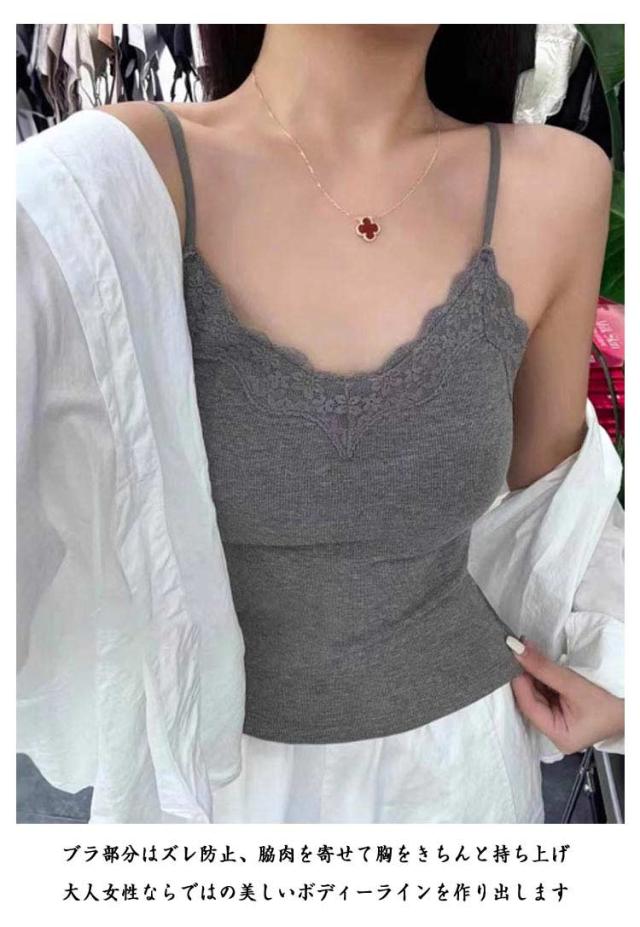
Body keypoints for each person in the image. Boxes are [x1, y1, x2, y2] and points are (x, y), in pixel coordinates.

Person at [17, 24, 624, 823]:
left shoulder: (556, 184)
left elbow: (557, 504)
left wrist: (619, 673)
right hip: (220, 793)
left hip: (462, 782)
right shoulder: (106, 184)